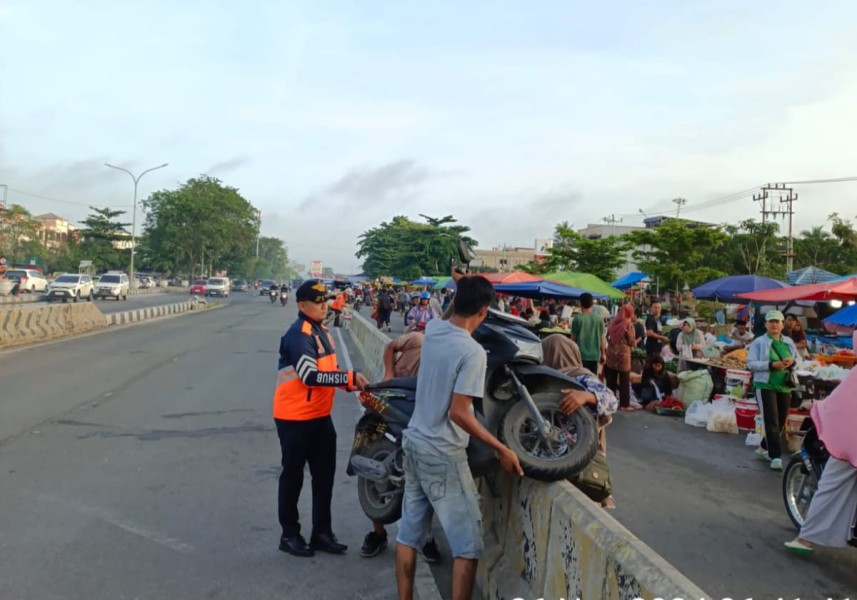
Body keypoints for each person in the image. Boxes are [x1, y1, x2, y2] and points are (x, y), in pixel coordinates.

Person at [395, 275, 523, 600]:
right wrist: (502, 448)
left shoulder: (435, 330)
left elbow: (453, 309)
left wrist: (461, 284)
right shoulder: (473, 352)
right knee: (467, 546)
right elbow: (460, 413)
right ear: (484, 310)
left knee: (408, 535)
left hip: (413, 443)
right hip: (442, 454)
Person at [273, 280, 369, 557]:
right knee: (293, 477)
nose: (324, 305)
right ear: (302, 305)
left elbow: (331, 370)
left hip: (319, 417)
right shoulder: (298, 334)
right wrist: (348, 377)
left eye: (326, 300)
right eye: (318, 301)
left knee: (324, 476)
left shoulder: (322, 331)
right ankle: (289, 535)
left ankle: (321, 533)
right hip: (294, 418)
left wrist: (350, 384)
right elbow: (310, 375)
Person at [361, 332, 441, 561]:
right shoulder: (419, 338)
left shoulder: (452, 352)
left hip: (416, 411)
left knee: (424, 477)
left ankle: (426, 539)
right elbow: (391, 346)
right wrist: (388, 374)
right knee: (371, 466)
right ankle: (377, 533)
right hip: (387, 399)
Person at [785, 367, 857, 555]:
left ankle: (805, 539)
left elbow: (836, 405)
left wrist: (818, 407)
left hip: (851, 443)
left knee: (831, 483)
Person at [542, 335, 619, 507]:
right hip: (557, 453)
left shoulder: (582, 377)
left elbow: (612, 401)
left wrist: (586, 396)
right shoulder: (546, 379)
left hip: (581, 452)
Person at [746, 310, 800, 471]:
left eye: (777, 321)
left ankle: (763, 446)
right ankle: (775, 456)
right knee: (771, 420)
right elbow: (751, 363)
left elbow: (799, 360)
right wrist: (771, 365)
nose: (774, 324)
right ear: (765, 324)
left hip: (784, 386)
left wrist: (792, 362)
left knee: (782, 421)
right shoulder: (759, 342)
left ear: (783, 324)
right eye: (771, 322)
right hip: (765, 385)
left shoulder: (789, 342)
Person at [604, 304, 637, 411]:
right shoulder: (628, 324)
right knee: (624, 380)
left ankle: (610, 402)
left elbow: (607, 337)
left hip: (611, 355)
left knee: (611, 380)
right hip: (623, 356)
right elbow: (631, 341)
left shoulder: (613, 323)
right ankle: (624, 404)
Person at [571, 293, 606, 375]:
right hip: (594, 356)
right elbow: (602, 339)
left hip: (580, 356)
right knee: (591, 381)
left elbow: (573, 340)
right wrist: (603, 354)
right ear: (592, 304)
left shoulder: (577, 319)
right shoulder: (599, 319)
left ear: (580, 304)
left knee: (580, 381)